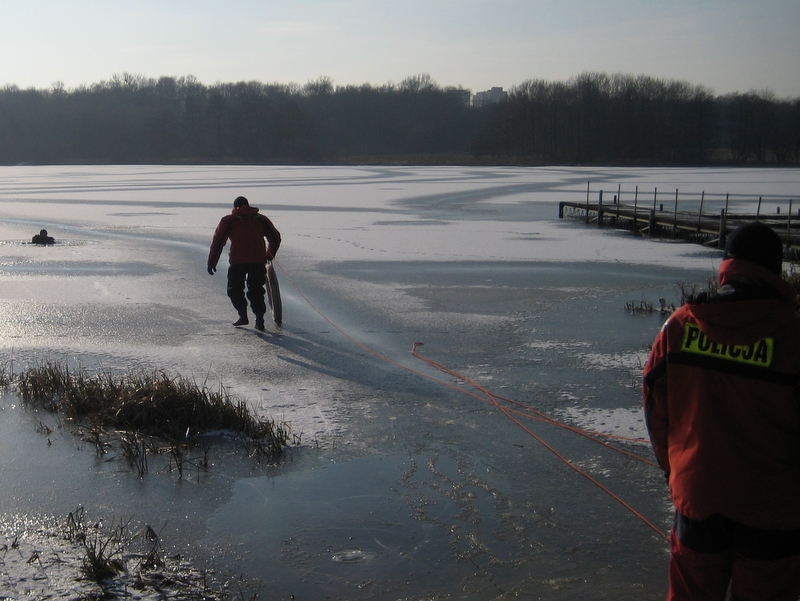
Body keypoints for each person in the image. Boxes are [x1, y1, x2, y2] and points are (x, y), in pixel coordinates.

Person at [643, 221, 800, 600]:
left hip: (699, 498)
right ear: (776, 269)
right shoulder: (792, 336)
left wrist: (674, 472)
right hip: (773, 511)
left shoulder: (680, 327)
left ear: (727, 265)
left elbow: (654, 406)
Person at [207, 196, 281, 331]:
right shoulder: (261, 219)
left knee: (234, 291)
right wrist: (269, 255)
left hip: (237, 262)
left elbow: (218, 241)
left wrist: (212, 262)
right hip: (258, 262)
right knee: (256, 291)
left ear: (235, 207)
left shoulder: (229, 220)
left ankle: (243, 316)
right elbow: (275, 238)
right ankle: (259, 319)